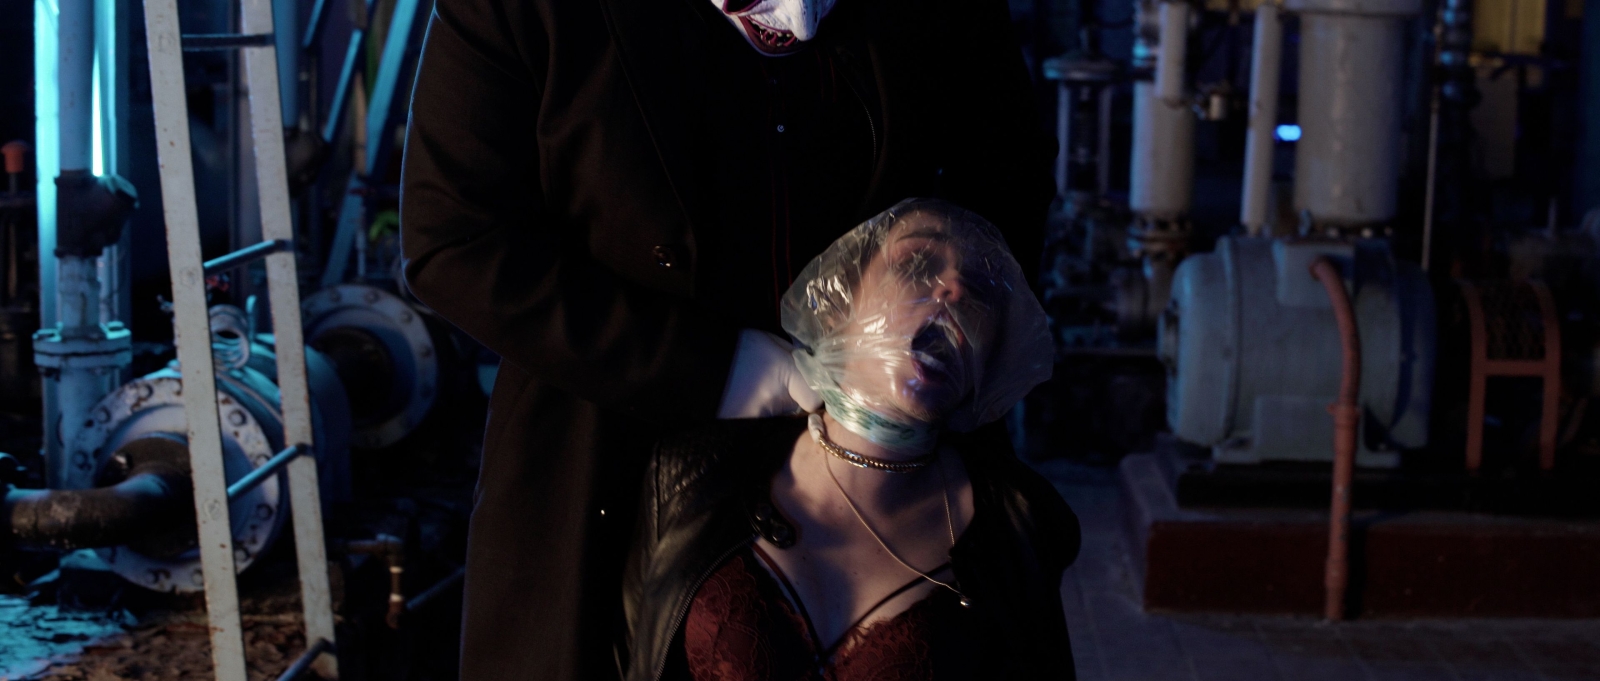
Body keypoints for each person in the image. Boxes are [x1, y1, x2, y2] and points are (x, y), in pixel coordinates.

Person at [398, 0, 1055, 675]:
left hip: (891, 474)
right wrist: (726, 369)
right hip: (598, 451)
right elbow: (454, 241)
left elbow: (1008, 189)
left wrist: (931, 369)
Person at [622, 199, 1079, 681]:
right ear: (841, 300)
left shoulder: (1020, 525)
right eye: (918, 263)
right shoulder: (689, 477)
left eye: (982, 291)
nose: (954, 289)